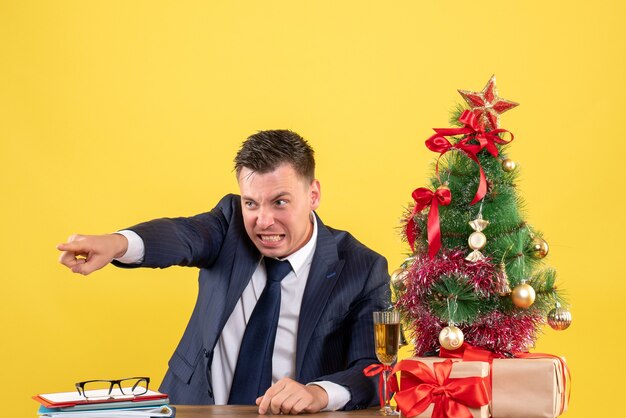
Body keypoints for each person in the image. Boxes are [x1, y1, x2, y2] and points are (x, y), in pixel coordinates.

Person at [57, 130, 390, 414]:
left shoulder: (362, 269)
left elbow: (375, 371)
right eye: (251, 203)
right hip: (193, 408)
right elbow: (182, 236)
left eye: (280, 202)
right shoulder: (230, 225)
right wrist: (117, 244)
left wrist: (318, 393)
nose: (263, 221)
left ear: (313, 194)